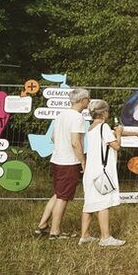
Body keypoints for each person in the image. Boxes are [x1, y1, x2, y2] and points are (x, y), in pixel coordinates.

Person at [78, 100, 138, 247]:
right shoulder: (104, 126)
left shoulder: (91, 128)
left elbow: (112, 133)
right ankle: (105, 237)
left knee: (89, 203)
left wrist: (135, 133)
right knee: (104, 203)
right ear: (104, 113)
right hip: (102, 172)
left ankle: (84, 236)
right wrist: (120, 134)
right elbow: (116, 145)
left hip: (90, 171)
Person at [34, 87, 89, 239]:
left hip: (57, 159)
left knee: (58, 194)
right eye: (88, 99)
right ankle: (55, 231)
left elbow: (52, 137)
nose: (89, 101)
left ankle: (43, 225)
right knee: (63, 197)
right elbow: (75, 142)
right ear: (82, 100)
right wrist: (82, 161)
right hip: (69, 162)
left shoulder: (61, 115)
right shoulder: (77, 118)